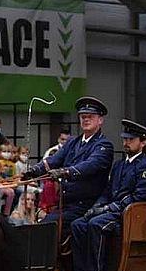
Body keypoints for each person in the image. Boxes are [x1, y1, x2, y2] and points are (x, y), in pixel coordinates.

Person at [70, 119, 146, 271]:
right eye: (125, 139)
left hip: (128, 214)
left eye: (131, 140)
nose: (126, 143)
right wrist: (96, 207)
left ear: (143, 142)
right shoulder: (119, 165)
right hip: (112, 211)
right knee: (78, 224)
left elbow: (139, 197)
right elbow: (107, 191)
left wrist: (108, 208)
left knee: (96, 224)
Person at [23, 96, 114, 235]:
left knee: (48, 225)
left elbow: (89, 165)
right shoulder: (72, 142)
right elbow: (54, 160)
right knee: (41, 222)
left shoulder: (104, 146)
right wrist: (34, 171)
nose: (85, 120)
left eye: (90, 116)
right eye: (83, 117)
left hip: (86, 205)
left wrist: (65, 172)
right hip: (65, 203)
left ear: (100, 120)